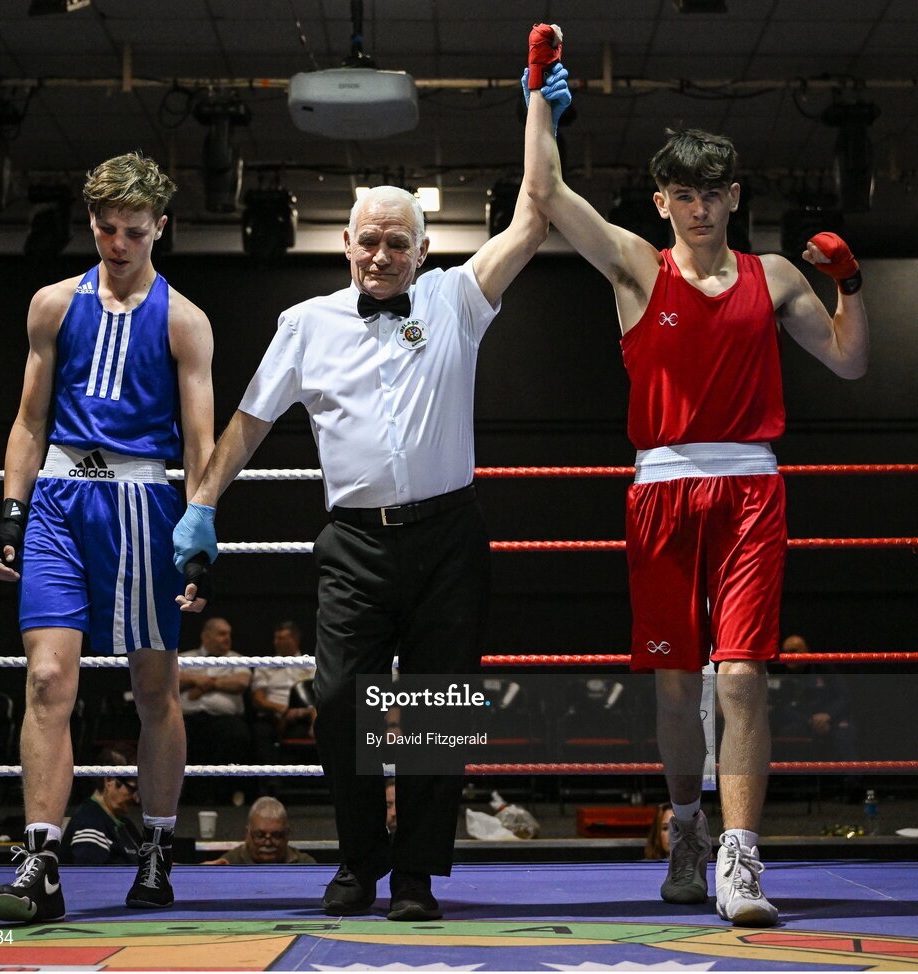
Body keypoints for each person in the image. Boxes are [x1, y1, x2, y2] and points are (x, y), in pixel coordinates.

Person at [523, 24, 868, 927]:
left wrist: (852, 290)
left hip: (753, 487)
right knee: (677, 683)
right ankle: (685, 824)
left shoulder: (775, 276)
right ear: (664, 199)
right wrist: (537, 96)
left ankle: (743, 861)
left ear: (733, 197)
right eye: (685, 195)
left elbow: (848, 364)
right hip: (661, 490)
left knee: (743, 674)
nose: (701, 210)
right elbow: (547, 192)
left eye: (713, 194)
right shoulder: (637, 267)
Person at [172, 174, 547, 922]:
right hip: (353, 543)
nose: (381, 256)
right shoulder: (305, 322)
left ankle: (416, 875)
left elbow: (534, 220)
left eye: (397, 242)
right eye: (368, 241)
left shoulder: (454, 299)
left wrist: (538, 104)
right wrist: (201, 506)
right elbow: (248, 421)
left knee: (437, 708)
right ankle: (360, 859)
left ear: (424, 248)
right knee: (341, 703)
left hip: (448, 536)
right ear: (344, 243)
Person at [0, 151, 215, 923]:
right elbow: (28, 419)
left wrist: (198, 531)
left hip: (145, 504)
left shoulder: (185, 321)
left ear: (160, 228)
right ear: (94, 224)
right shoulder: (53, 304)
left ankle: (155, 844)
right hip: (58, 500)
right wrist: (12, 510)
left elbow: (199, 442)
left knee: (153, 687)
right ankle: (40, 862)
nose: (118, 244)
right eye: (107, 229)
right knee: (49, 679)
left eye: (133, 232)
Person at [770, 634, 862, 797]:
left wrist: (828, 715)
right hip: (806, 723)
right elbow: (783, 707)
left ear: (806, 651)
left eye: (794, 651)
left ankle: (853, 786)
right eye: (785, 652)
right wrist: (810, 721)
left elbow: (844, 696)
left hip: (833, 720)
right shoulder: (782, 674)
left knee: (844, 734)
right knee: (786, 733)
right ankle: (796, 790)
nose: (789, 656)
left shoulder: (824, 667)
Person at [180, 616, 253, 803]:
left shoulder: (237, 659)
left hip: (224, 721)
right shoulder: (184, 658)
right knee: (172, 737)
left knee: (237, 735)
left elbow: (241, 682)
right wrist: (198, 680)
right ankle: (185, 796)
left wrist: (203, 684)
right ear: (206, 637)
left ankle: (225, 795)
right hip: (187, 720)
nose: (227, 638)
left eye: (229, 634)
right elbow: (170, 679)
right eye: (222, 634)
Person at [61, 745, 142, 865]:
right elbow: (88, 878)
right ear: (109, 780)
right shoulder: (90, 823)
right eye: (132, 789)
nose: (137, 800)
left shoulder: (126, 825)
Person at [250, 620, 316, 763]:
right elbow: (258, 698)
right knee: (261, 732)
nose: (276, 642)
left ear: (295, 639)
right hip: (272, 716)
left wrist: (308, 714)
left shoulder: (311, 665)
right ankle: (271, 781)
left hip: (303, 717)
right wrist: (283, 710)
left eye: (281, 638)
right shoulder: (265, 665)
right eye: (275, 638)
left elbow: (319, 697)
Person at [201, 797, 316, 865]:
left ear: (287, 834)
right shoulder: (230, 863)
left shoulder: (305, 864)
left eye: (276, 835)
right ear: (247, 833)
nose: (268, 842)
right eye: (260, 835)